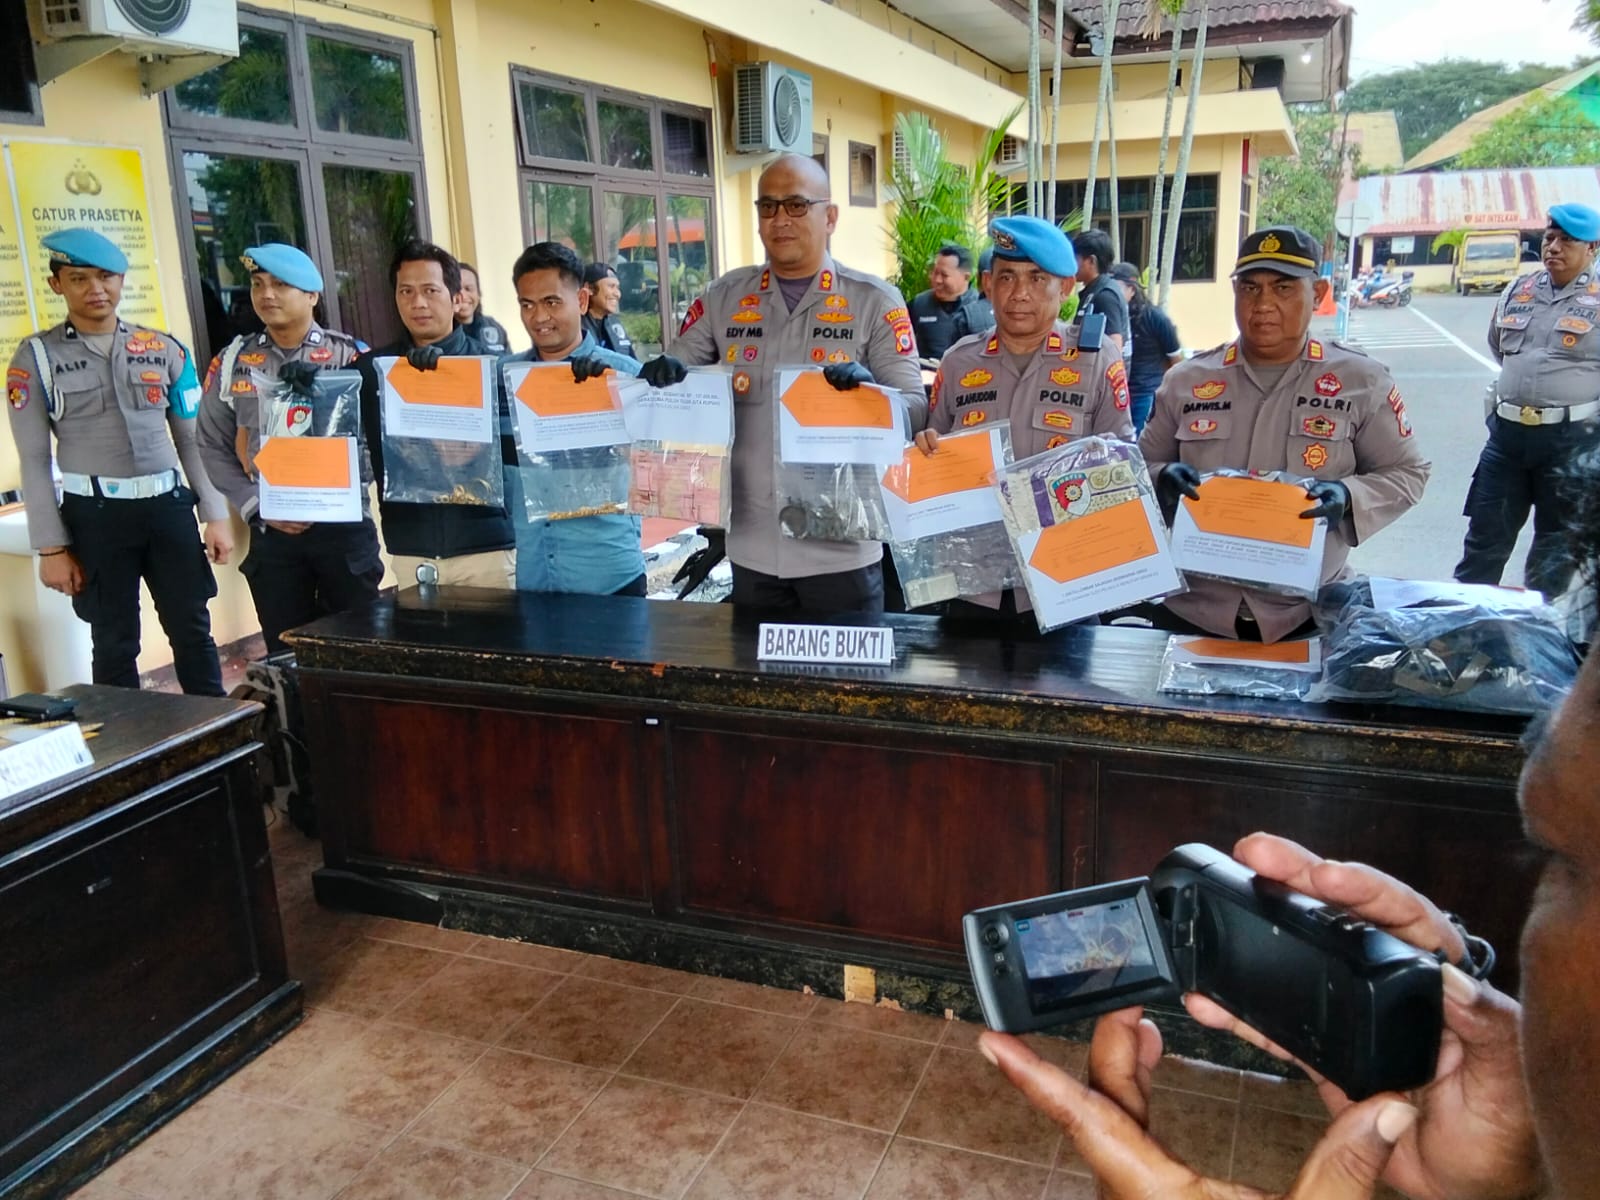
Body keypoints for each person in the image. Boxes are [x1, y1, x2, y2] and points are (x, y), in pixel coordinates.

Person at [1139, 226, 1431, 642]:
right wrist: (1161, 477)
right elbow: (1138, 470)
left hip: (1309, 616)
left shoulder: (1360, 380)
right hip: (1193, 612)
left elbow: (1407, 472)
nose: (1263, 304)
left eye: (1283, 287)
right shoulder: (1186, 381)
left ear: (1318, 292)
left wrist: (1349, 496)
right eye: (1250, 288)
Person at [669, 152, 927, 613]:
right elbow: (673, 378)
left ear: (830, 217)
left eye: (796, 205)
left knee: (847, 664)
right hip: (752, 545)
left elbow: (914, 406)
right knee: (756, 662)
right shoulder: (723, 298)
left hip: (841, 548)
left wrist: (873, 399)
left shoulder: (873, 301)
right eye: (768, 207)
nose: (780, 219)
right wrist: (653, 379)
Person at [5, 228, 232, 695]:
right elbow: (34, 458)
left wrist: (215, 515)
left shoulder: (163, 349)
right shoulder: (37, 359)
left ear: (122, 280)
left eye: (106, 276)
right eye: (79, 278)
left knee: (192, 629)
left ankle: (220, 726)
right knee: (113, 641)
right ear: (56, 285)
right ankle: (128, 735)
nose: (96, 289)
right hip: (96, 517)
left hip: (168, 509)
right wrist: (51, 548)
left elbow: (191, 440)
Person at [917, 216, 1132, 623]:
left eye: (1037, 279)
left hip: (1065, 583)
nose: (1019, 293)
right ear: (987, 284)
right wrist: (926, 452)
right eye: (1007, 277)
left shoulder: (1097, 359)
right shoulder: (959, 361)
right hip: (973, 585)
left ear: (1064, 287)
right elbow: (935, 455)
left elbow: (1122, 464)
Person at [196, 243, 381, 654]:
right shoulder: (233, 361)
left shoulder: (351, 356)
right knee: (286, 653)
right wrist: (255, 503)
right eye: (258, 284)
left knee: (358, 650)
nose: (267, 294)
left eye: (281, 285)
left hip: (344, 532)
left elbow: (377, 439)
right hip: (273, 531)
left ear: (312, 295)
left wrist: (335, 493)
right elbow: (210, 443)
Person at [1454, 202, 1600, 600]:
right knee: (1483, 545)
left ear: (1592, 248)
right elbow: (1499, 348)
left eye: (1567, 240)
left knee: (1554, 555)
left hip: (1572, 443)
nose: (1553, 247)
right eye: (1549, 238)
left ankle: (1537, 631)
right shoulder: (1519, 290)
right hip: (1507, 439)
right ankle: (1466, 627)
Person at [356, 240, 516, 589]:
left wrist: (447, 374)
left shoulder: (492, 369)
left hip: (486, 549)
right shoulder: (373, 372)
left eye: (430, 290)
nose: (418, 303)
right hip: (411, 549)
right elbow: (333, 429)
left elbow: (520, 452)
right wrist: (303, 389)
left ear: (457, 298)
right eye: (406, 291)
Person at [500, 242, 655, 596]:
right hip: (535, 579)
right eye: (527, 304)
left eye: (552, 302)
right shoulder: (501, 380)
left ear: (582, 300)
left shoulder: (624, 376)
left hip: (609, 578)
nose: (539, 317)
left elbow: (663, 467)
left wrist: (665, 387)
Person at [1110, 261, 1183, 434]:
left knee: (1140, 443)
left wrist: (1169, 393)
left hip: (1146, 394)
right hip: (1117, 393)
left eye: (1115, 289)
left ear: (1132, 289)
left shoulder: (1155, 317)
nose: (1111, 294)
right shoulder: (1112, 315)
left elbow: (1176, 360)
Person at [908, 243, 994, 360]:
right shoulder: (919, 304)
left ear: (966, 277)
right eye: (935, 273)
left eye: (944, 275)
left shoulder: (979, 310)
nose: (937, 280)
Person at [1071, 228, 1131, 355]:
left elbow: (1115, 345)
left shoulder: (1105, 295)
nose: (1072, 264)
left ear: (1091, 261)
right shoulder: (1092, 291)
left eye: (1075, 258)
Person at [579, 263, 639, 360]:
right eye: (611, 286)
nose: (617, 294)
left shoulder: (614, 324)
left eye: (618, 288)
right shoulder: (576, 327)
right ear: (589, 289)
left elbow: (632, 361)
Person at [454, 261, 512, 354]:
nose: (463, 296)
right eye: (456, 289)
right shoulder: (440, 332)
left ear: (479, 294)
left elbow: (509, 361)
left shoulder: (494, 327)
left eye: (468, 289)